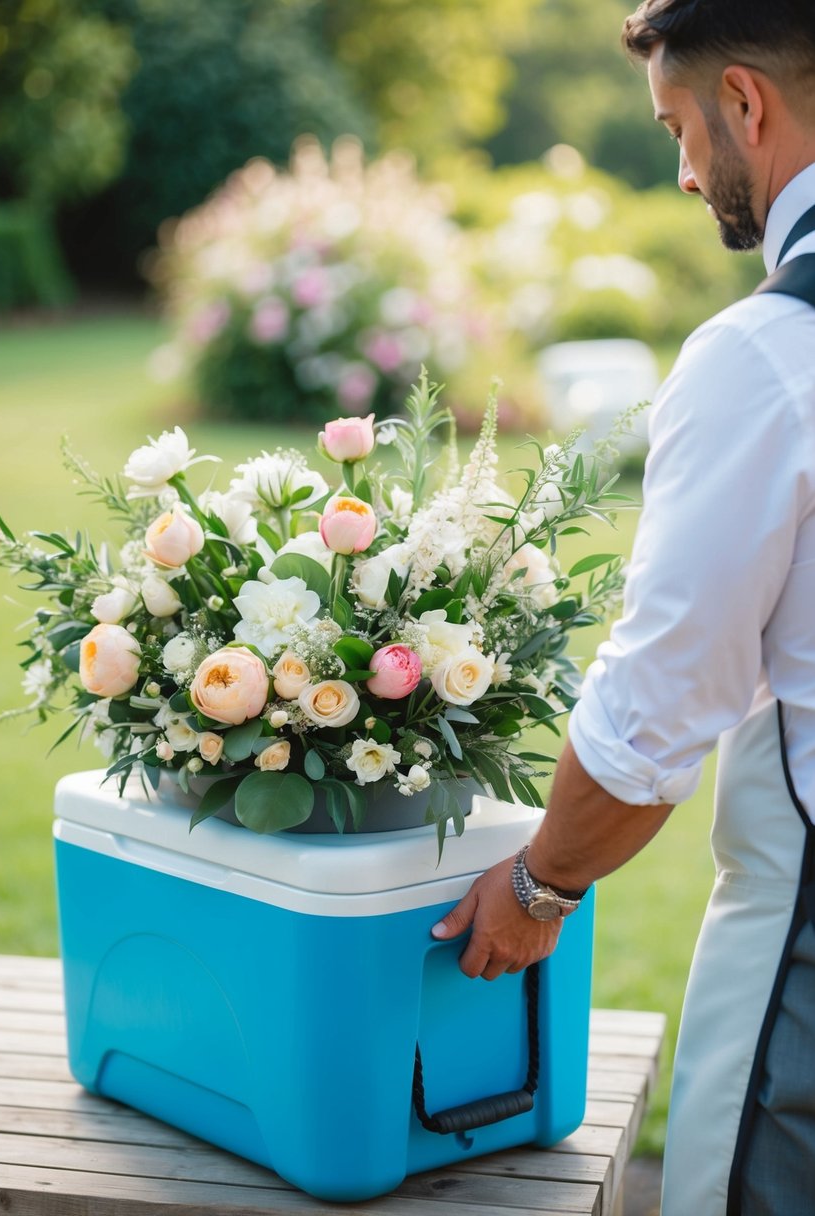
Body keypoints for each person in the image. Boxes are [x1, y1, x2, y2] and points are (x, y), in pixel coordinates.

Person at [430, 3, 815, 1213]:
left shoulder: (764, 358)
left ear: (743, 102)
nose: (688, 169)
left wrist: (540, 885)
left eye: (678, 128)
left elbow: (654, 715)